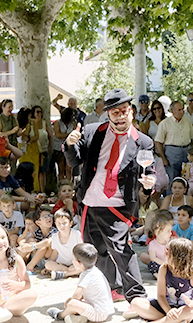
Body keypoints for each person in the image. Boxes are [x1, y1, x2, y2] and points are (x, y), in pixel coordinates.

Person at [65, 88, 156, 306]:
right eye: (115, 112)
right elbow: (74, 160)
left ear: (131, 112)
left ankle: (136, 295)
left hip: (117, 205)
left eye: (124, 111)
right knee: (96, 251)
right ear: (108, 114)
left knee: (122, 250)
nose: (121, 116)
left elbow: (149, 172)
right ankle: (113, 288)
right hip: (90, 202)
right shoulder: (92, 132)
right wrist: (69, 144)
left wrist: (149, 185)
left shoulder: (143, 141)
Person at [126, 237, 193, 323]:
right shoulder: (164, 268)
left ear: (179, 257)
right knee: (136, 302)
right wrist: (169, 311)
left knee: (190, 311)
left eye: (168, 251)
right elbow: (161, 296)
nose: (165, 253)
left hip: (182, 310)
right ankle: (174, 322)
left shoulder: (192, 275)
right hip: (165, 307)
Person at [44, 243, 115, 323]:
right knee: (78, 302)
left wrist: (71, 300)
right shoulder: (95, 270)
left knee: (72, 304)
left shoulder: (86, 275)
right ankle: (79, 317)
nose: (72, 261)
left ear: (79, 263)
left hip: (98, 314)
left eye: (73, 259)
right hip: (103, 310)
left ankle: (60, 315)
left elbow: (77, 295)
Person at [155, 99, 193, 185]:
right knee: (172, 179)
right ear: (172, 111)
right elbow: (158, 142)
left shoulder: (187, 121)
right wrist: (163, 158)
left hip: (186, 151)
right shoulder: (165, 123)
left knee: (187, 178)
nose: (182, 112)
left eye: (182, 109)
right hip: (172, 153)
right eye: (179, 110)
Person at [139, 209, 173, 276]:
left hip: (170, 263)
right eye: (168, 231)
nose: (171, 233)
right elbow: (152, 256)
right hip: (159, 262)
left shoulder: (171, 240)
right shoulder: (152, 242)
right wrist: (163, 263)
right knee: (151, 263)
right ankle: (158, 274)